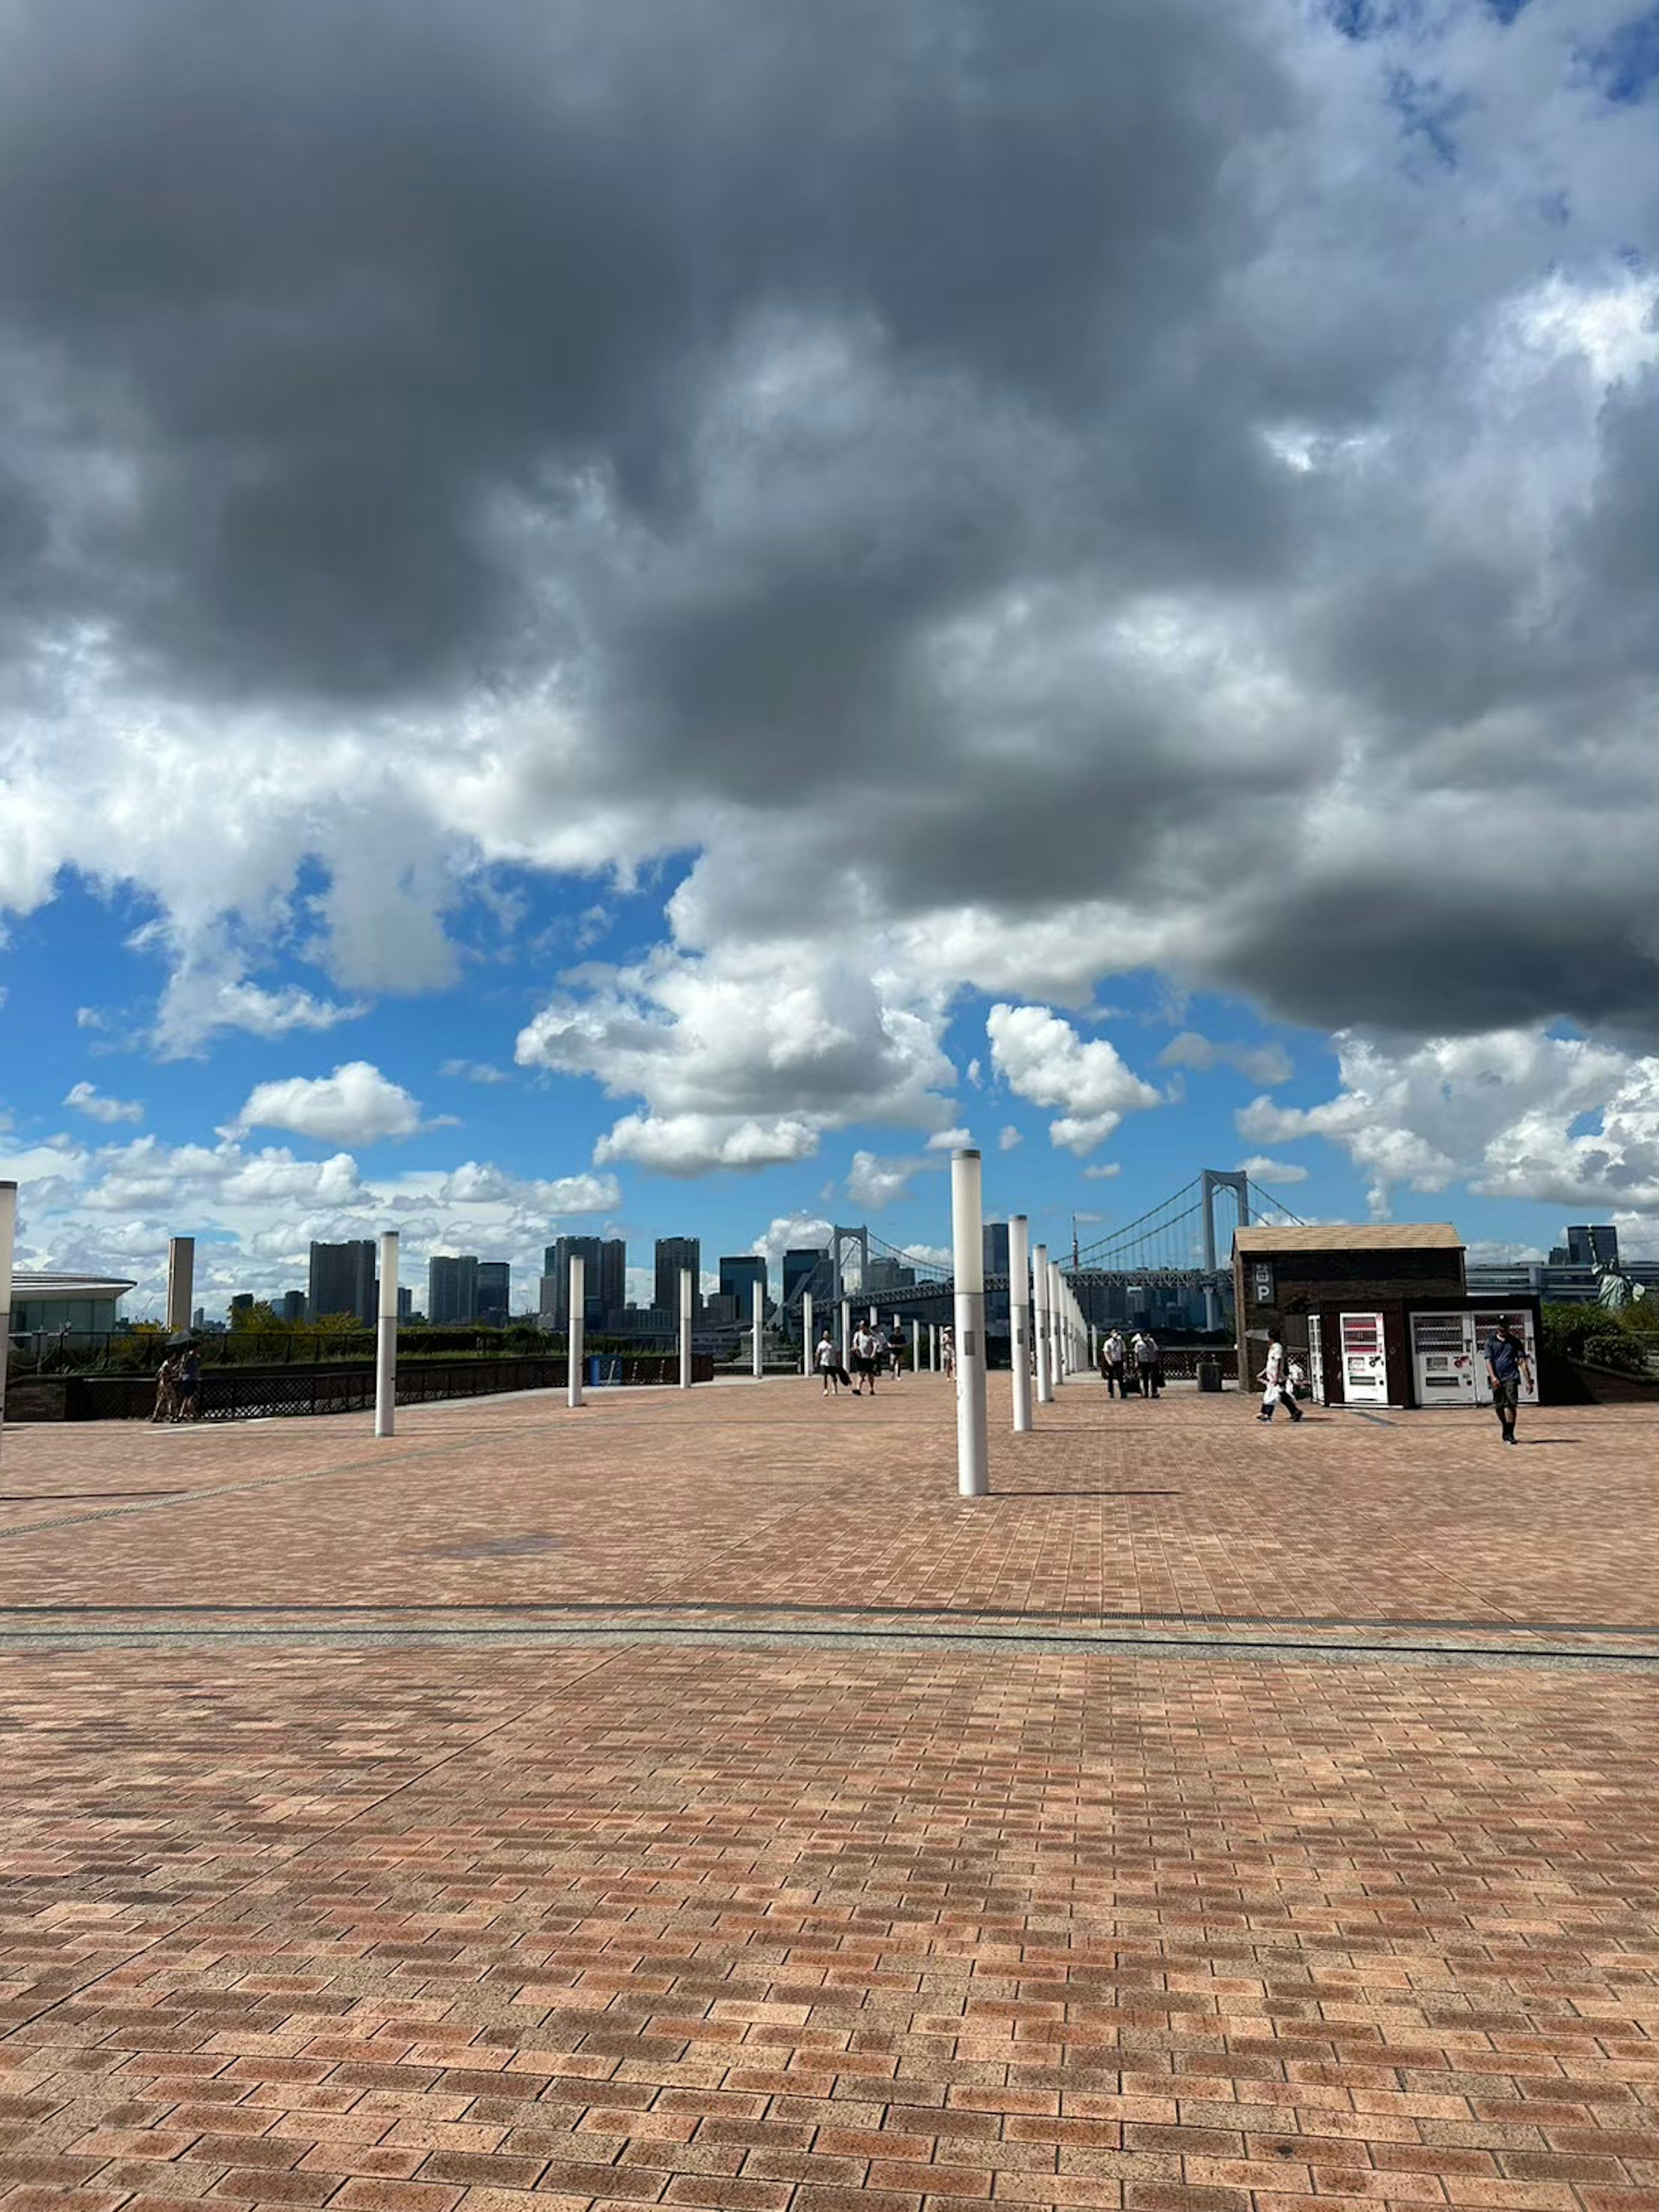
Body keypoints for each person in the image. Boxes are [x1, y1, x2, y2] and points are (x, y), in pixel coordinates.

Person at [1484, 1316, 1533, 1446]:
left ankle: (1510, 1434)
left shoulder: (1515, 1342)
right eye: (1501, 1325)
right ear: (1498, 1327)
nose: (1503, 1328)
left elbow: (1522, 1362)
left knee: (1511, 1405)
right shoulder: (1491, 1342)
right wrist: (1493, 1377)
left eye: (1505, 1326)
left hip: (1511, 1376)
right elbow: (1488, 1361)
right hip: (1497, 1377)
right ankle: (1506, 1426)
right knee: (1499, 1406)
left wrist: (1529, 1381)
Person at [1256, 1331, 1303, 1424]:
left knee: (1272, 1395)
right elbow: (1270, 1364)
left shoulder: (1278, 1348)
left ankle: (1267, 1414)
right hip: (1272, 1376)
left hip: (1277, 1377)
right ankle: (1296, 1412)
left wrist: (1277, 1376)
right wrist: (1263, 1373)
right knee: (1281, 1395)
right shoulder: (1272, 1348)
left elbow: (1279, 1363)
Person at [816, 1331, 850, 1396]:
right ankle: (826, 1389)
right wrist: (817, 1362)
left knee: (834, 1377)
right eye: (825, 1335)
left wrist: (839, 1362)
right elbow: (818, 1354)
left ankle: (835, 1388)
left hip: (833, 1363)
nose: (827, 1337)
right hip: (824, 1362)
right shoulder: (821, 1344)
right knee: (824, 1377)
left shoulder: (834, 1343)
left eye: (828, 1335)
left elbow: (838, 1353)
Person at [175, 1346, 202, 1422]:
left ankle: (182, 1414)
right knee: (190, 1397)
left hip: (193, 1378)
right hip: (189, 1379)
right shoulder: (188, 1357)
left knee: (187, 1397)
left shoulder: (197, 1357)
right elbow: (183, 1366)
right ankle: (193, 1413)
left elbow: (198, 1368)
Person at [150, 1352, 179, 1425]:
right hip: (167, 1384)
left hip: (162, 1384)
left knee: (161, 1401)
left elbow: (158, 1374)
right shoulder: (167, 1365)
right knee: (172, 1400)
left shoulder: (164, 1364)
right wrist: (177, 1370)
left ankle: (156, 1416)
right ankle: (172, 1416)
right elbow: (172, 1374)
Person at [851, 1321, 878, 1395]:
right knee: (860, 1373)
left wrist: (873, 1353)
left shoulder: (871, 1335)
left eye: (863, 1326)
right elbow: (855, 1343)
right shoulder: (858, 1334)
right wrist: (856, 1349)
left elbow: (875, 1344)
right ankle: (858, 1388)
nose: (862, 1328)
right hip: (861, 1357)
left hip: (869, 1357)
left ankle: (871, 1389)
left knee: (870, 1374)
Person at [1100, 1328, 1126, 1398]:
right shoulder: (1108, 1342)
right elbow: (1106, 1352)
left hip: (1119, 1361)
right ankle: (1111, 1392)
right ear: (1111, 1334)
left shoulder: (1121, 1342)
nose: (1115, 1334)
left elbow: (1124, 1352)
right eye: (1114, 1333)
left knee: (1120, 1377)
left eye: (1116, 1332)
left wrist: (1124, 1362)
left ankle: (1123, 1392)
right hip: (1111, 1362)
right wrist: (1109, 1361)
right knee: (1110, 1378)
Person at [1133, 1330, 1159, 1400]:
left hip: (1152, 1361)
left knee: (1154, 1377)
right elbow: (1136, 1353)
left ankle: (1154, 1392)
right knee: (1145, 1378)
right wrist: (1136, 1362)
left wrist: (1157, 1360)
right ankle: (1146, 1392)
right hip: (1143, 1362)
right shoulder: (1139, 1344)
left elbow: (1156, 1351)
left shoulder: (1152, 1342)